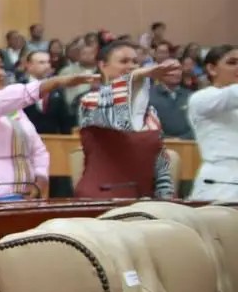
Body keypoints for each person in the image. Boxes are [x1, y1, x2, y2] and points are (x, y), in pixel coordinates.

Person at [0, 44, 97, 203]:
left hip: (16, 197)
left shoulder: (11, 106)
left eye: (1, 67)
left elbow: (37, 148)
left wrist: (40, 176)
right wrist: (54, 82)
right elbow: (6, 98)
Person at [78, 40, 181, 199]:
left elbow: (160, 166)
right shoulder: (91, 100)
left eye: (135, 62)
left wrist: (166, 200)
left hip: (144, 201)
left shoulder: (150, 112)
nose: (132, 66)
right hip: (101, 198)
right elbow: (118, 115)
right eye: (124, 61)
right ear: (103, 66)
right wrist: (137, 76)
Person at [188, 45, 238, 202]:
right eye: (232, 62)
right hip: (222, 180)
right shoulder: (202, 98)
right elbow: (231, 96)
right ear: (212, 68)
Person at [21, 49, 74, 135]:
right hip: (25, 139)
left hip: (53, 140)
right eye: (42, 62)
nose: (47, 66)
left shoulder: (56, 88)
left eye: (48, 62)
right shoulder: (20, 88)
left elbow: (64, 119)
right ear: (29, 65)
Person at [148, 60, 195, 139]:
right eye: (171, 69)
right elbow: (147, 126)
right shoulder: (149, 96)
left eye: (178, 69)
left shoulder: (191, 96)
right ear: (160, 72)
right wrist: (169, 140)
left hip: (189, 145)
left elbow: (197, 124)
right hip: (158, 145)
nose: (176, 73)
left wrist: (181, 139)